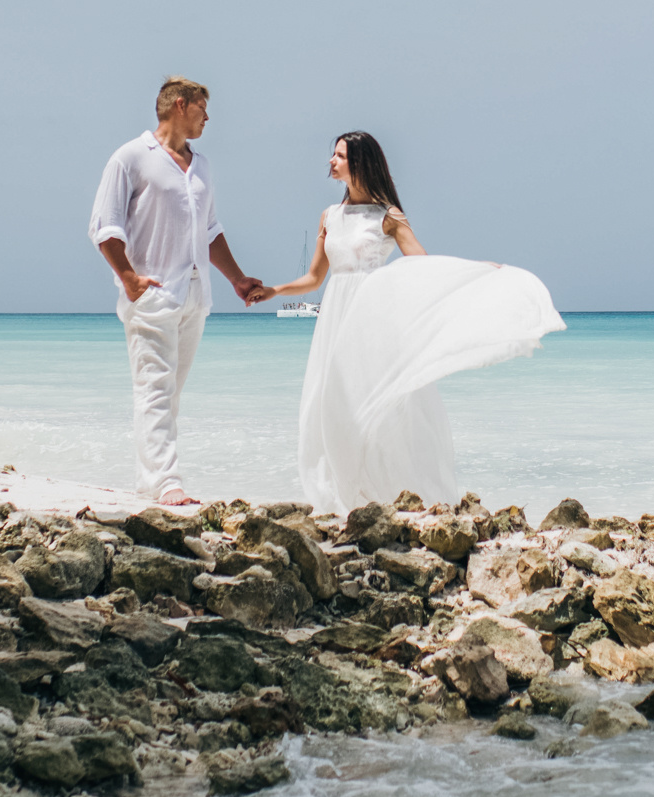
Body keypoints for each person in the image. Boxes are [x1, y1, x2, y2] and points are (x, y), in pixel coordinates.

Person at [260, 131, 563, 513]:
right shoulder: (329, 216)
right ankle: (346, 490)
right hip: (336, 318)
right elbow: (315, 279)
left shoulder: (387, 216)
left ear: (360, 164)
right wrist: (272, 290)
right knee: (331, 401)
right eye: (333, 155)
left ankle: (392, 490)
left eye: (339, 156)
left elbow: (421, 264)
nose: (331, 161)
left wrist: (473, 270)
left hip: (374, 318)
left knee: (387, 406)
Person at [89, 77, 269, 507]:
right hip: (152, 294)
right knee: (154, 388)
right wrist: (130, 279)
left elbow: (209, 231)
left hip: (194, 296)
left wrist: (236, 279)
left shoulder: (202, 166)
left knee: (169, 393)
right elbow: (104, 226)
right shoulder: (130, 158)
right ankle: (168, 483)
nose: (208, 118)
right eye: (202, 109)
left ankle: (149, 483)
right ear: (180, 106)